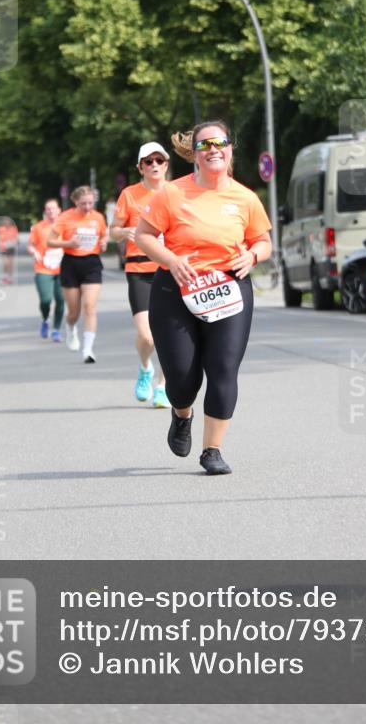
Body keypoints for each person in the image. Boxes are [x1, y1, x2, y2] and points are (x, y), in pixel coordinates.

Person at [136, 121, 272, 475]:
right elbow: (144, 236)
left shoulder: (245, 197)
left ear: (230, 149)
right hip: (176, 289)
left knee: (224, 369)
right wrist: (170, 259)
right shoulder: (171, 193)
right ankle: (182, 414)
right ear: (193, 154)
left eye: (220, 142)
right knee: (182, 379)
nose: (213, 149)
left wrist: (253, 255)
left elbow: (263, 241)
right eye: (205, 144)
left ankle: (212, 450)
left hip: (229, 287)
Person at [110, 142, 171, 408]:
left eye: (159, 160)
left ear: (166, 164)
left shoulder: (177, 192)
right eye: (149, 162)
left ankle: (162, 386)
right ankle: (145, 367)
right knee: (147, 336)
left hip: (170, 269)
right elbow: (113, 230)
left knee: (170, 335)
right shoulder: (130, 195)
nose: (154, 165)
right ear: (140, 168)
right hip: (139, 269)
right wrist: (123, 233)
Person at [47, 186, 107, 362]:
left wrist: (103, 243)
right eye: (83, 204)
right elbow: (50, 241)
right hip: (71, 263)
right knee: (74, 311)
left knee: (90, 307)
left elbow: (104, 236)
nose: (88, 207)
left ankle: (88, 350)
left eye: (90, 203)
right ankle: (71, 327)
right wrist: (68, 243)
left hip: (92, 263)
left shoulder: (98, 217)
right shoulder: (65, 217)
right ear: (75, 202)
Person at [28, 199, 64, 342]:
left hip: (62, 267)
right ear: (45, 211)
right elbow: (30, 245)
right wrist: (34, 252)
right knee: (46, 300)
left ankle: (56, 330)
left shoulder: (65, 226)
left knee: (61, 299)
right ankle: (45, 319)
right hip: (43, 267)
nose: (51, 212)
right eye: (48, 209)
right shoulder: (38, 227)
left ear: (59, 210)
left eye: (53, 209)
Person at [0, 219, 18, 284]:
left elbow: (16, 238)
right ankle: (5, 277)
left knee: (10, 264)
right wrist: (0, 243)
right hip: (3, 248)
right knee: (5, 263)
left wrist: (14, 241)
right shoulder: (1, 229)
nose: (7, 224)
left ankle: (10, 277)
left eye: (8, 223)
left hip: (11, 248)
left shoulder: (13, 229)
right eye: (5, 223)